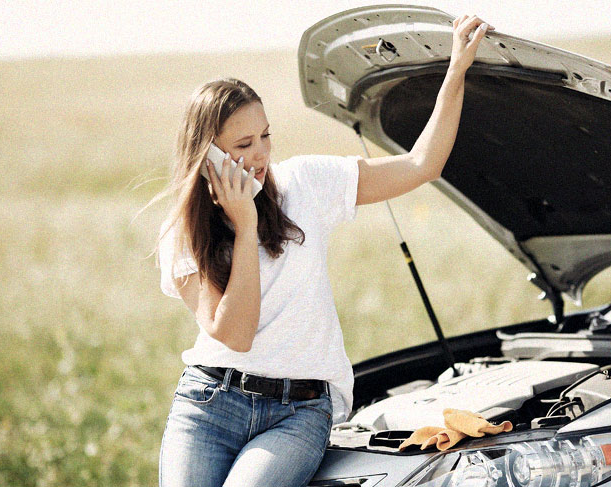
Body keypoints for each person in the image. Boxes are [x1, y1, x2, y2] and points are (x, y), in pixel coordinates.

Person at [156, 14, 493, 487]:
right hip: (209, 403)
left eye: (266, 136)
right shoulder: (184, 230)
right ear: (207, 154)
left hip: (298, 413)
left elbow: (421, 164)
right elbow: (234, 334)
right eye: (243, 144)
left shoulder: (304, 183)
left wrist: (456, 70)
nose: (260, 155)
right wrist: (244, 225)